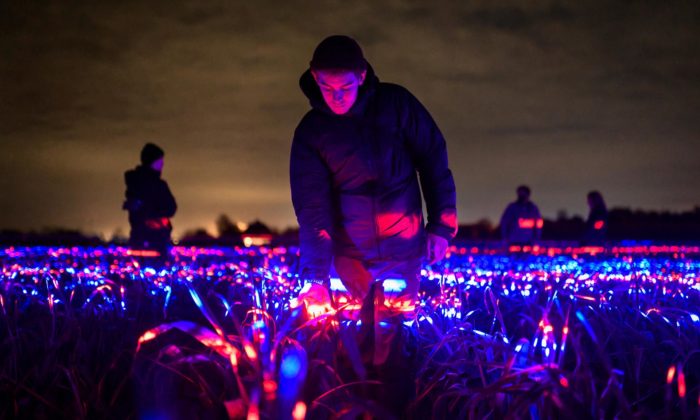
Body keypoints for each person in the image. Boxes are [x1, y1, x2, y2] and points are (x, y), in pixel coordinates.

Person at [289, 35, 458, 369]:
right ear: (314, 77)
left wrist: (440, 225)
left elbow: (433, 161)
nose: (337, 97)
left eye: (346, 87)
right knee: (348, 347)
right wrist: (316, 278)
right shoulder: (312, 132)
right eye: (326, 87)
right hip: (348, 259)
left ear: (362, 75)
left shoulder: (397, 105)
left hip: (403, 251)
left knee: (400, 342)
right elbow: (312, 210)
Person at [123, 143, 177, 257]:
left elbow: (171, 207)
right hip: (155, 239)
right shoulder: (157, 185)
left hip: (143, 237)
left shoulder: (134, 182)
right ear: (152, 161)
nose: (162, 164)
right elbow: (171, 207)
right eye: (160, 160)